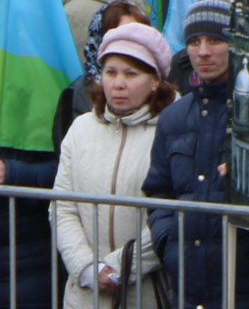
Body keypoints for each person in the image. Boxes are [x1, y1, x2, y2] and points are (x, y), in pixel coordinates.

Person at [144, 0, 249, 309]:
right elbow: (158, 191)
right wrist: (168, 243)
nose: (203, 52)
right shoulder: (174, 116)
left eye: (215, 40)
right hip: (190, 287)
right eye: (194, 42)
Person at [55, 22, 171, 309]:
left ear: (155, 80)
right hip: (84, 295)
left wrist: (120, 267)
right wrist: (87, 268)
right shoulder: (80, 128)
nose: (118, 83)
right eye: (110, 72)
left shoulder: (172, 129)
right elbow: (62, 207)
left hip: (147, 294)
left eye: (131, 74)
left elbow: (173, 214)